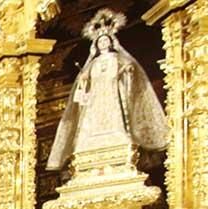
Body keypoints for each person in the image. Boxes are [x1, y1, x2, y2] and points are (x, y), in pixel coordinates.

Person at [46, 9, 168, 171]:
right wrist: (83, 82)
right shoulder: (93, 64)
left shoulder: (117, 59)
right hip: (95, 100)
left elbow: (128, 74)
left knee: (114, 117)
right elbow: (84, 83)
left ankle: (118, 136)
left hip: (112, 96)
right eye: (100, 42)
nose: (103, 44)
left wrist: (127, 73)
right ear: (96, 45)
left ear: (111, 42)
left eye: (106, 41)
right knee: (91, 122)